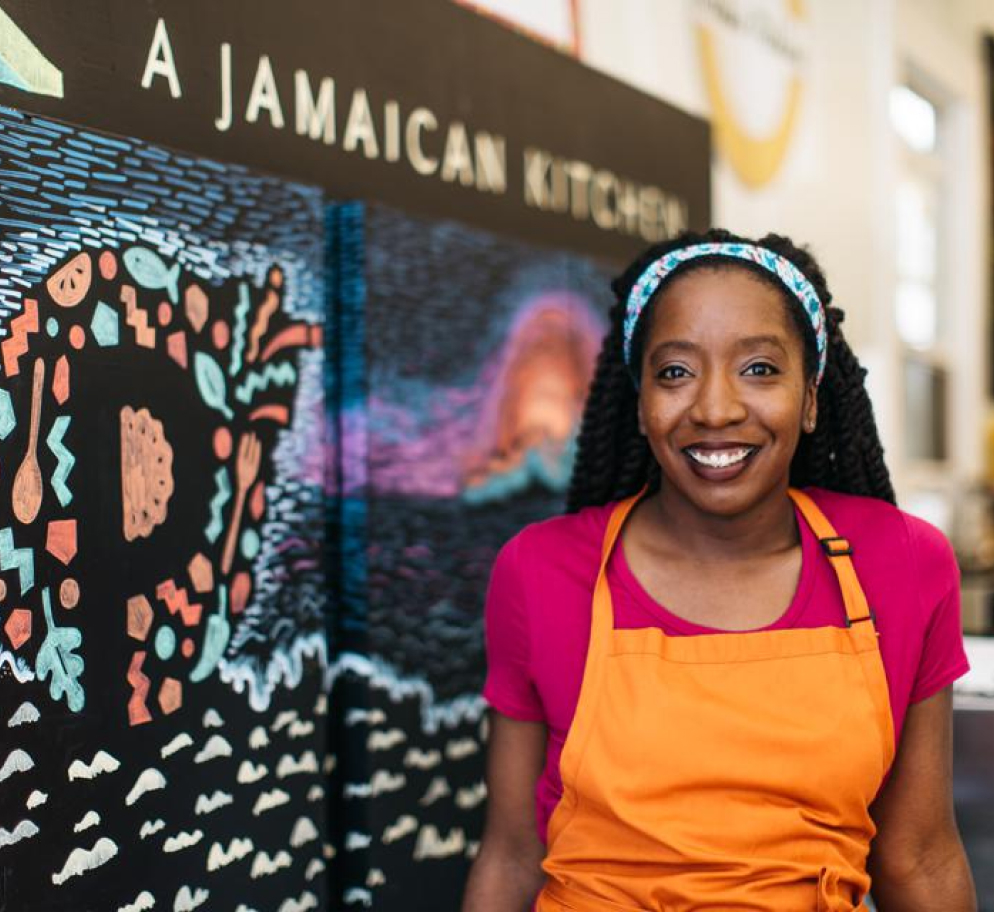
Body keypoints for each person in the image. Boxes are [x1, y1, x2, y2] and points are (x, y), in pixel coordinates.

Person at [460, 229, 977, 911]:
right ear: (639, 402)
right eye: (675, 372)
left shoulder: (901, 565)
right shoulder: (543, 570)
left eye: (759, 368)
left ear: (813, 397)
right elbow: (511, 857)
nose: (714, 409)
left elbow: (920, 856)